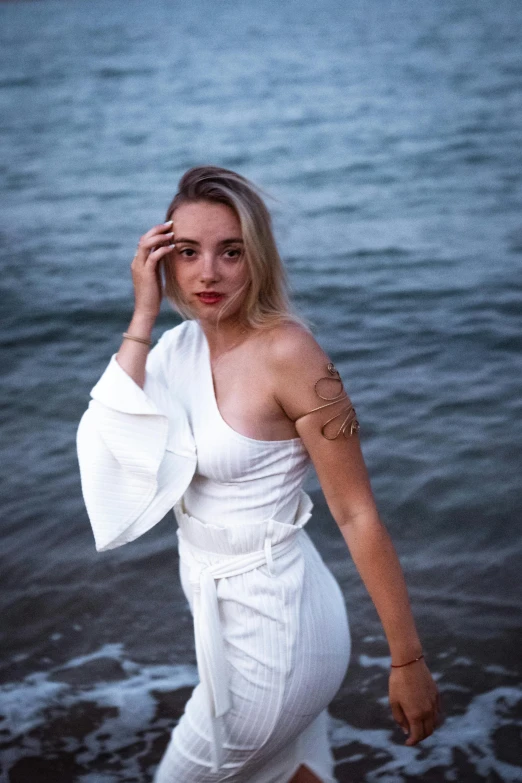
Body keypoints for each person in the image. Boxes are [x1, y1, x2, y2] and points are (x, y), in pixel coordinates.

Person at [77, 166, 440, 783]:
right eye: (187, 252)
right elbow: (106, 445)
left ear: (258, 258)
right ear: (163, 257)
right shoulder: (176, 349)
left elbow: (356, 514)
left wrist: (408, 660)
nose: (208, 272)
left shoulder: (290, 355)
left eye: (231, 252)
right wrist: (142, 312)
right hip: (222, 614)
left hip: (279, 635)